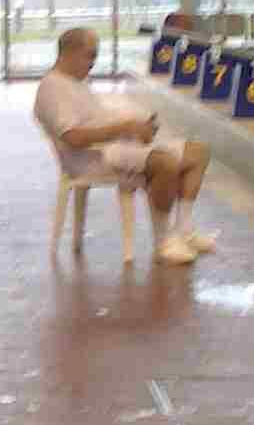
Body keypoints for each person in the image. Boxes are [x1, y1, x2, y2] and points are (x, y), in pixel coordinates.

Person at [34, 25, 215, 265]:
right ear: (70, 52)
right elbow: (73, 138)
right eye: (90, 55)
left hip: (113, 147)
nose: (93, 62)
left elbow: (97, 117)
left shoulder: (76, 81)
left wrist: (137, 123)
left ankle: (184, 230)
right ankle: (164, 242)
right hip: (89, 159)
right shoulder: (52, 88)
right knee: (165, 163)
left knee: (198, 153)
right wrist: (125, 128)